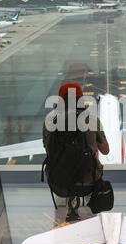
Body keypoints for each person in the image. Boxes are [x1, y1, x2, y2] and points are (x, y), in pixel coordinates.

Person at [43, 82, 110, 221]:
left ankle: (61, 223)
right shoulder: (91, 120)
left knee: (59, 218)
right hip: (86, 182)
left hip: (59, 182)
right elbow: (106, 151)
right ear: (81, 99)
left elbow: (47, 149)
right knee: (90, 217)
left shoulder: (49, 121)